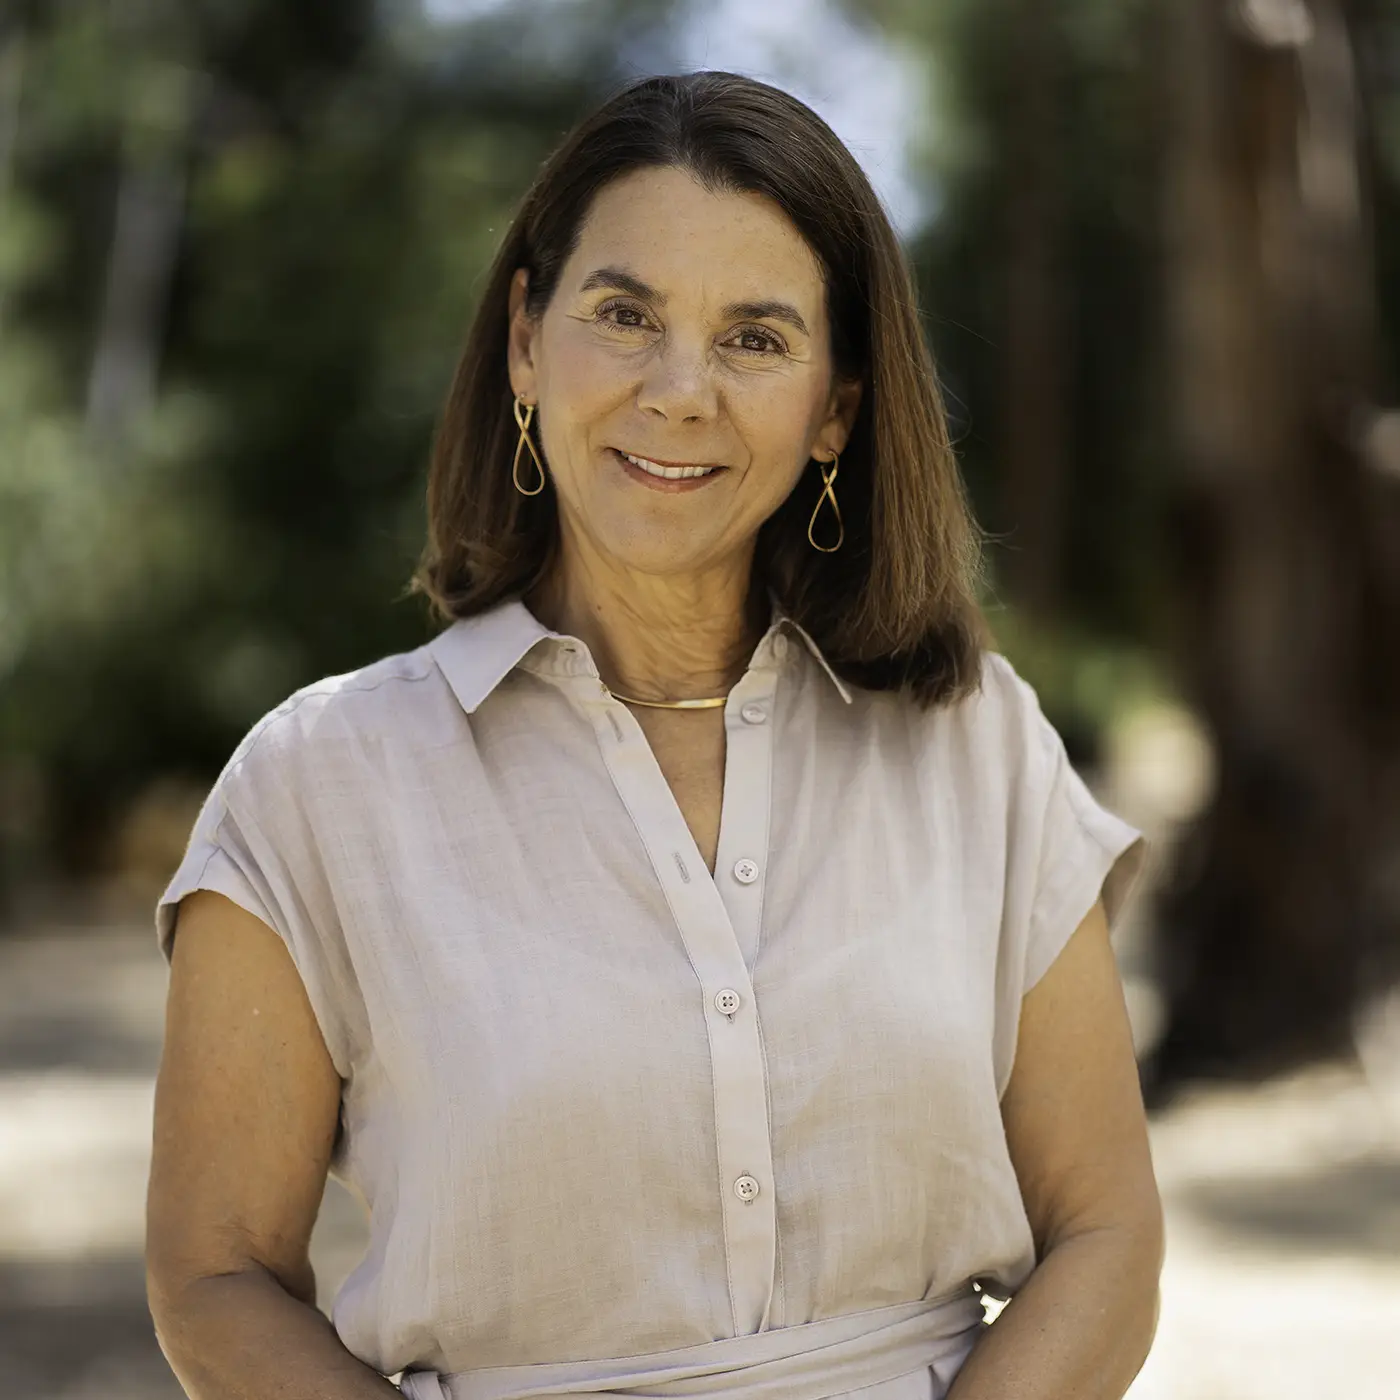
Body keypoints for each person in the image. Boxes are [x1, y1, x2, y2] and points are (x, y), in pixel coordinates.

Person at [145, 71, 1162, 1400]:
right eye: (623, 315)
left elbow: (1107, 1233)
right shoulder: (314, 786)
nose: (679, 392)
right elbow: (212, 1279)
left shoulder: (978, 748)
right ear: (525, 338)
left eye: (754, 339)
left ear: (837, 409)